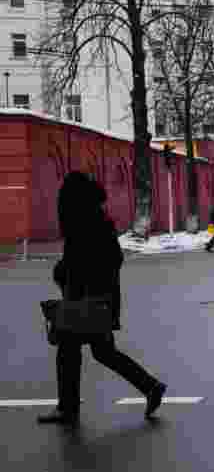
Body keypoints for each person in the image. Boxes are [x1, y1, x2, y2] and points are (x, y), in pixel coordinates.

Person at [38, 172, 166, 427]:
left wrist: (67, 274)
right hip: (97, 300)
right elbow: (110, 259)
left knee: (68, 351)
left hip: (86, 301)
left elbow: (89, 262)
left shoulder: (83, 223)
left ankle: (68, 408)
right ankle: (150, 386)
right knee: (102, 352)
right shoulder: (96, 219)